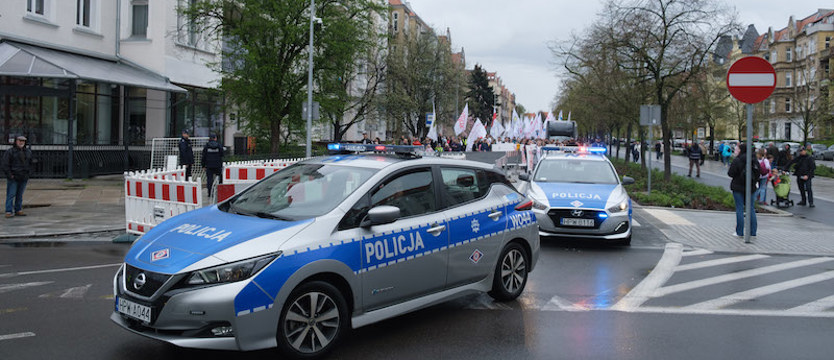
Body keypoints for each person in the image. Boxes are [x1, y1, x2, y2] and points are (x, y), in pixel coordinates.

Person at [727, 142, 758, 238]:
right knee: (751, 209)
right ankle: (753, 232)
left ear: (741, 150)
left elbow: (730, 173)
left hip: (738, 187)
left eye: (737, 149)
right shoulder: (754, 160)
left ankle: (739, 232)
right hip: (751, 188)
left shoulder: (737, 160)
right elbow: (758, 174)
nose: (735, 151)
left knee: (739, 209)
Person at [3, 135, 33, 218]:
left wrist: (28, 173)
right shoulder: (10, 152)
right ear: (16, 141)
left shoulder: (28, 152)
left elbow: (30, 163)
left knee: (20, 194)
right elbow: (5, 164)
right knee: (11, 194)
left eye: (23, 141)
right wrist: (10, 175)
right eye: (20, 141)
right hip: (14, 176)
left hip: (23, 176)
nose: (21, 142)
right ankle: (8, 211)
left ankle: (18, 209)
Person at [202, 133, 224, 197]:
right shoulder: (219, 146)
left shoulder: (206, 146)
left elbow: (203, 156)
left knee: (209, 180)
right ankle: (220, 192)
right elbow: (222, 154)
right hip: (217, 165)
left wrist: (203, 165)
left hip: (209, 165)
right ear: (215, 138)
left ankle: (210, 193)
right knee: (220, 179)